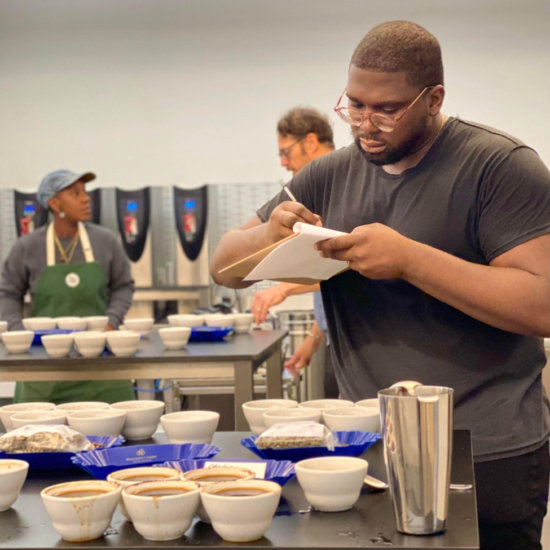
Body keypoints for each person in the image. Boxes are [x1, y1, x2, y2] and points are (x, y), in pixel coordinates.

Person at [211, 21, 550, 550]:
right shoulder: (328, 174)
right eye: (354, 105)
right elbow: (224, 268)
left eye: (386, 110)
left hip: (486, 451)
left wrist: (411, 260)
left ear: (433, 99)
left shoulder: (499, 167)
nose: (366, 125)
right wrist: (267, 232)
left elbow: (542, 304)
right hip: (367, 450)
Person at [0, 170, 136, 404]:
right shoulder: (28, 246)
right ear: (54, 203)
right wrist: (18, 331)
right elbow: (7, 294)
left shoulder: (105, 241)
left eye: (85, 192)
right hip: (44, 367)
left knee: (116, 434)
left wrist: (111, 322)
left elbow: (123, 286)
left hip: (101, 365)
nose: (86, 199)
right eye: (75, 193)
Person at [251, 107, 338, 397]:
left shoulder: (342, 186)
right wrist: (313, 340)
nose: (285, 163)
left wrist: (284, 290)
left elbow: (346, 269)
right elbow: (331, 293)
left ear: (311, 142)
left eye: (286, 152)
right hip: (334, 339)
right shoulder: (319, 191)